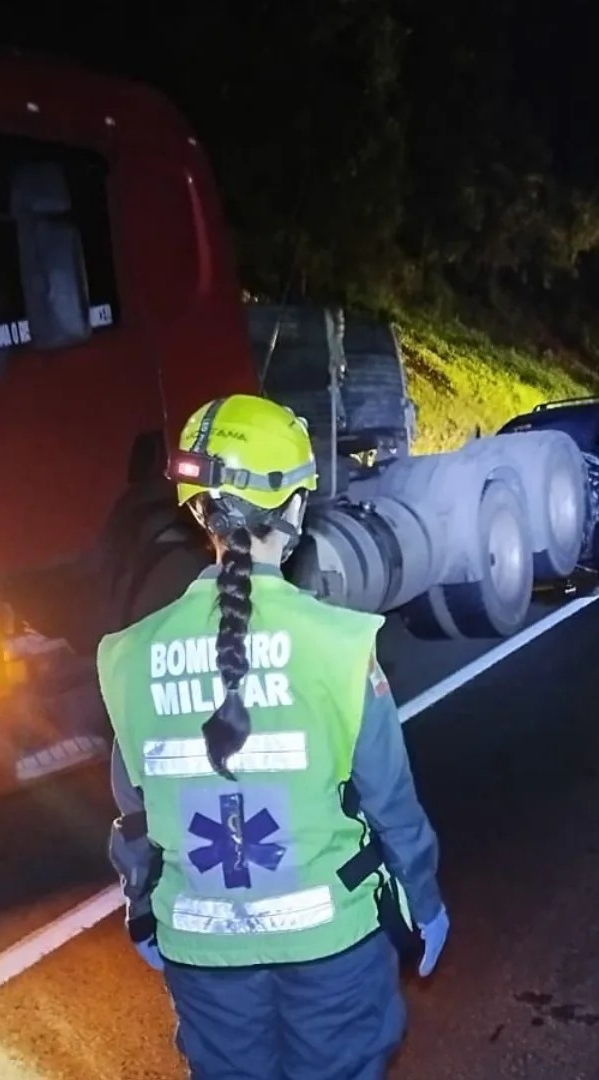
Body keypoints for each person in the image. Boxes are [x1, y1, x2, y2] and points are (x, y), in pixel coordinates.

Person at [99, 393, 449, 1080]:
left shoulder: (129, 654)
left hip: (201, 950)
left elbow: (134, 813)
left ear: (196, 509)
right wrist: (425, 906)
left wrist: (144, 910)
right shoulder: (338, 645)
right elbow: (391, 806)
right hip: (332, 948)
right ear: (293, 510)